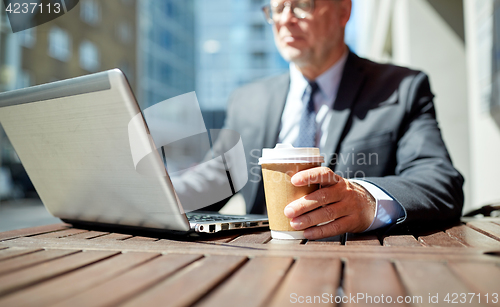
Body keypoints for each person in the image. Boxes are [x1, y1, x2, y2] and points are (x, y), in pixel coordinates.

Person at [208, 0, 464, 239]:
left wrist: (367, 201)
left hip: (360, 266)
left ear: (344, 11)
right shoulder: (247, 100)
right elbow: (210, 182)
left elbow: (439, 181)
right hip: (258, 260)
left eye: (301, 5)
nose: (285, 20)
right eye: (277, 8)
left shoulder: (401, 89)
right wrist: (169, 195)